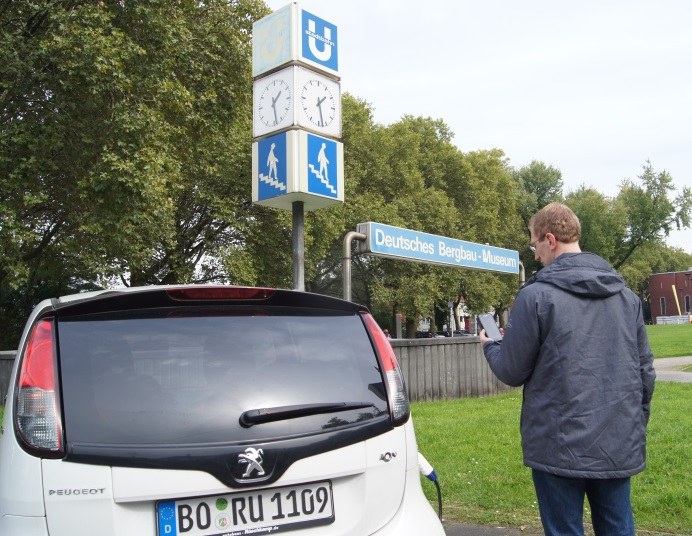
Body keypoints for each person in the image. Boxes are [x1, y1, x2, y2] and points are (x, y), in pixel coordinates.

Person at [479, 202, 655, 536]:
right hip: (616, 439)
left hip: (557, 446)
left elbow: (512, 371)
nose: (534, 254)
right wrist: (631, 424)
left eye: (533, 245)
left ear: (550, 239)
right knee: (618, 527)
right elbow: (646, 372)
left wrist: (490, 345)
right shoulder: (627, 298)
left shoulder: (535, 296)